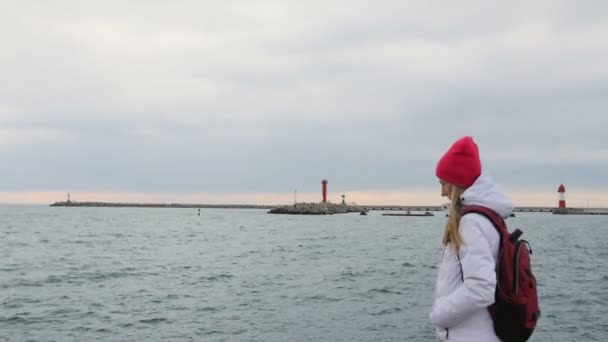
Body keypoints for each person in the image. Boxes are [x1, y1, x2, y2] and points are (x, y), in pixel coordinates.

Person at [429, 136, 513, 341]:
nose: (442, 192)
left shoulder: (470, 223)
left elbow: (481, 287)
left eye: (444, 184)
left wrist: (438, 316)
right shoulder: (487, 217)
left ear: (457, 183)